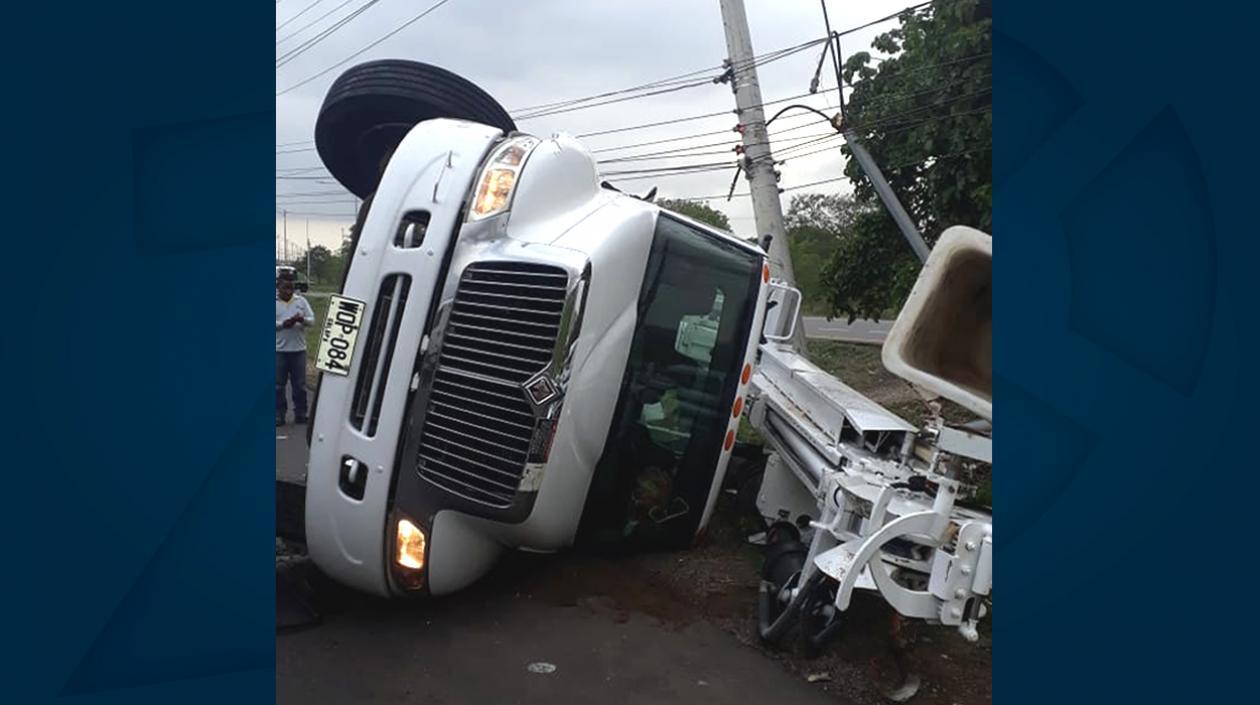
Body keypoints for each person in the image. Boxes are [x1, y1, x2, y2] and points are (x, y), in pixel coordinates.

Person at [276, 275, 316, 426]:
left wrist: (302, 320)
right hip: (279, 350)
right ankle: (279, 415)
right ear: (278, 288)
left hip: (298, 349)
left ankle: (301, 413)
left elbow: (312, 320)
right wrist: (283, 324)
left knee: (299, 385)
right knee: (278, 385)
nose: (288, 291)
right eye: (285, 288)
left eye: (291, 288)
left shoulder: (301, 301)